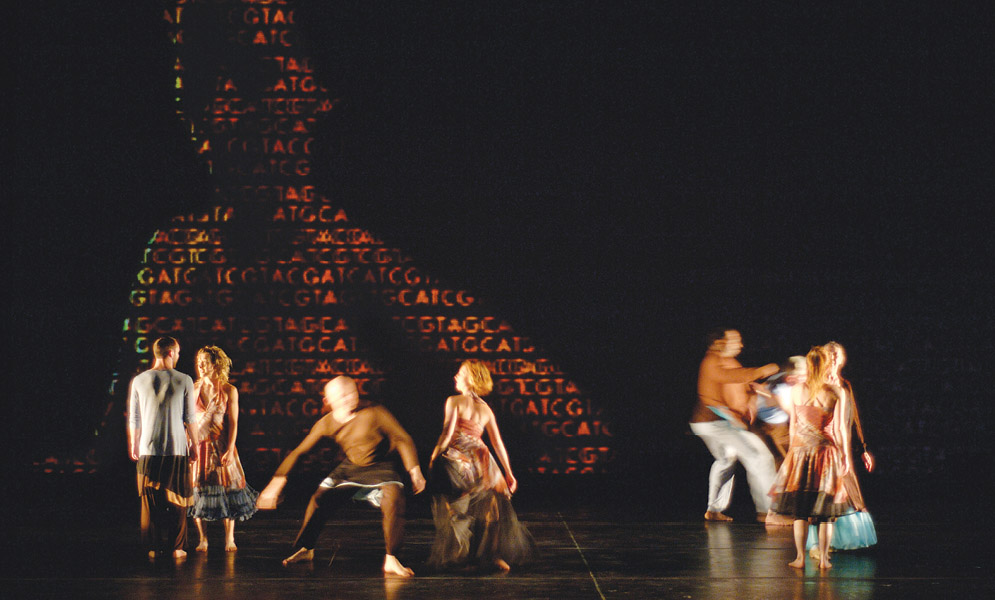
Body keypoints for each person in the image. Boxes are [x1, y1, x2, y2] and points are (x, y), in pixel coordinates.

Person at [256, 376, 426, 577]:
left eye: (352, 393)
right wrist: (276, 483)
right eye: (342, 396)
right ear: (329, 401)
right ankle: (306, 548)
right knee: (319, 499)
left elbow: (401, 438)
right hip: (350, 468)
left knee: (394, 497)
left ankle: (392, 558)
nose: (348, 399)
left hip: (380, 467)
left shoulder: (375, 412)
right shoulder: (326, 423)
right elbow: (299, 452)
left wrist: (414, 469)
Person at [427, 360, 535, 572]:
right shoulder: (486, 409)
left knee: (461, 508)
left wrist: (433, 456)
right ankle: (490, 555)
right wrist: (508, 473)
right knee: (491, 507)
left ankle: (468, 557)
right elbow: (497, 444)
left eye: (460, 373)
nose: (455, 376)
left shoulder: (454, 401)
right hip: (483, 459)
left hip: (462, 458)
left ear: (471, 378)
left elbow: (447, 434)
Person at [769, 346, 855, 570]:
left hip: (801, 453)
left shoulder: (797, 390)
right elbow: (841, 429)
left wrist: (791, 453)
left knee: (801, 511)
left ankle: (800, 558)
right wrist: (845, 455)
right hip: (826, 454)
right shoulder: (836, 392)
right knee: (826, 512)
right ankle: (825, 559)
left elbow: (793, 426)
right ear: (826, 365)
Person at [690, 329, 785, 524]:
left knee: (726, 460)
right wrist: (759, 371)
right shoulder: (711, 361)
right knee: (759, 457)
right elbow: (728, 378)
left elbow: (737, 382)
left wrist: (752, 394)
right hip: (714, 424)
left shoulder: (727, 362)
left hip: (715, 423)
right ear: (719, 342)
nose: (740, 345)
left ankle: (714, 510)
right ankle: (769, 512)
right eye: (735, 340)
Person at [128, 336, 199, 559]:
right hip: (176, 448)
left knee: (150, 500)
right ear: (170, 353)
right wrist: (195, 444)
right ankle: (177, 547)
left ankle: (153, 546)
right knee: (179, 500)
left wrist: (133, 442)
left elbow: (134, 418)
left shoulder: (139, 380)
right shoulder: (184, 379)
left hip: (148, 449)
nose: (178, 356)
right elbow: (190, 418)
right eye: (177, 353)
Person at [806, 341, 877, 559]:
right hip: (824, 445)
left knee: (846, 491)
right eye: (831, 355)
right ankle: (819, 544)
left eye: (838, 355)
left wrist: (862, 447)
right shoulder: (814, 384)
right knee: (825, 493)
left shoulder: (845, 385)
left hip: (842, 443)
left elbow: (853, 418)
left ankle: (837, 540)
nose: (835, 359)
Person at [188, 345, 258, 552]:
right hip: (199, 448)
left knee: (228, 492)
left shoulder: (228, 390)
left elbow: (234, 422)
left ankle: (229, 538)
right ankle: (203, 539)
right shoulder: (193, 389)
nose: (200, 366)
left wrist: (230, 448)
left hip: (220, 446)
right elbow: (189, 421)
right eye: (198, 361)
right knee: (198, 492)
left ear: (215, 364)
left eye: (205, 362)